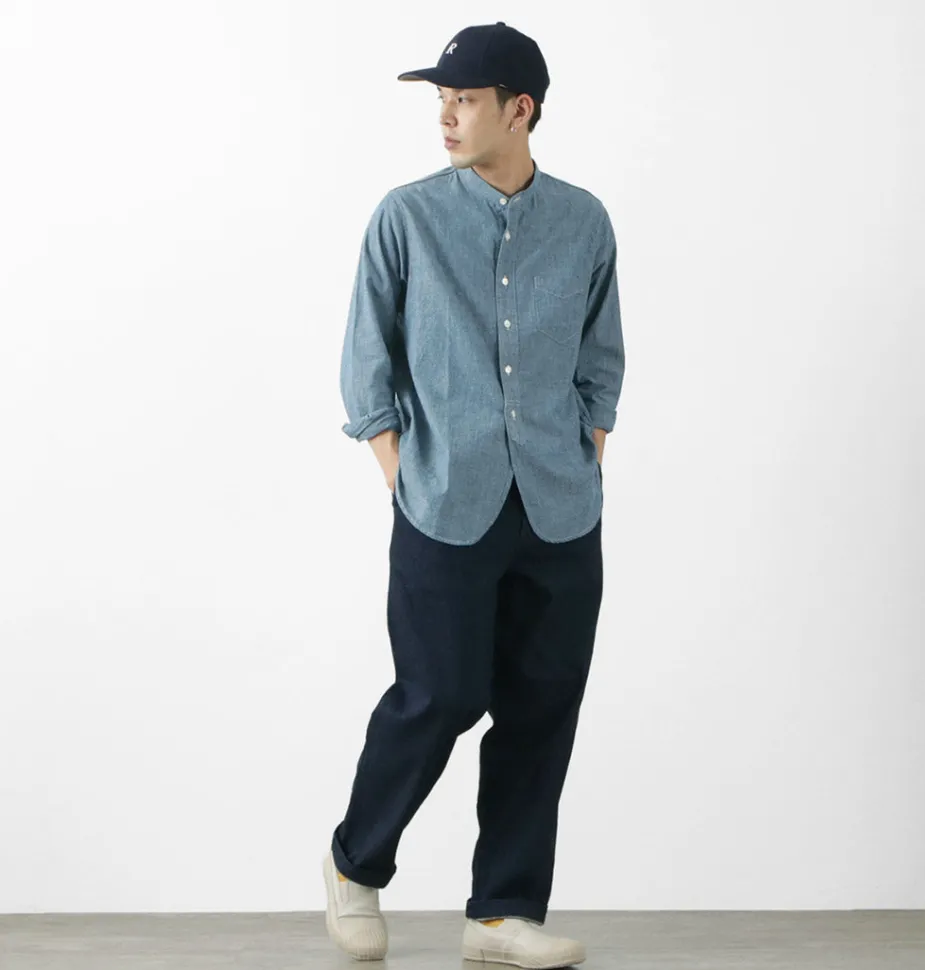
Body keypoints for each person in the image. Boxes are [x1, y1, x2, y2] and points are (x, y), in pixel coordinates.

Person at [324, 21, 625, 968]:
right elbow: (366, 364)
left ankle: (501, 914)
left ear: (519, 109)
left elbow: (602, 359)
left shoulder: (584, 221)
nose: (447, 116)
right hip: (443, 503)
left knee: (542, 706)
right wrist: (400, 472)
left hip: (560, 509)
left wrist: (585, 453)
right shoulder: (406, 217)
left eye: (464, 99)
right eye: (441, 100)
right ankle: (354, 862)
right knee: (440, 695)